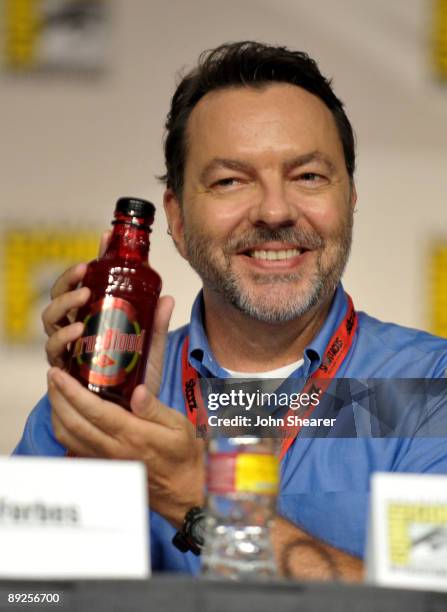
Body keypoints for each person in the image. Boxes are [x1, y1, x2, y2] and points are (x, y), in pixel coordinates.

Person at [14, 41, 447, 580]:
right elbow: (33, 595)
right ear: (175, 217)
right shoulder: (99, 397)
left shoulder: (429, 388)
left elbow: (429, 602)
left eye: (308, 175)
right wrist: (99, 436)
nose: (274, 210)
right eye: (230, 181)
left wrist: (198, 498)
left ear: (351, 196)